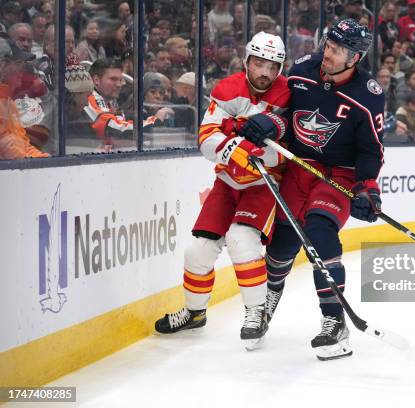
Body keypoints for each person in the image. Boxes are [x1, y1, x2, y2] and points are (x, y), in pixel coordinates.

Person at [239, 18, 384, 361]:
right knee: (281, 245)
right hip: (300, 168)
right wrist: (270, 124)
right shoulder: (303, 70)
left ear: (354, 58)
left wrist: (368, 189)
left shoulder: (368, 94)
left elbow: (370, 150)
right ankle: (266, 304)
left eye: (336, 50)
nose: (327, 54)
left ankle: (334, 320)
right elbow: (288, 116)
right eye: (327, 46)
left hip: (339, 175)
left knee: (319, 230)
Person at [154, 32, 290, 350]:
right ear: (246, 61)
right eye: (259, 63)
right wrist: (235, 148)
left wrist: (265, 154)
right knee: (197, 251)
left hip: (264, 184)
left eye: (273, 66)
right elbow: (206, 138)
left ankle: (257, 313)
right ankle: (194, 313)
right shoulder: (227, 89)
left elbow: (286, 150)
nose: (265, 72)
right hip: (227, 182)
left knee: (242, 241)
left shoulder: (288, 95)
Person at [84, 58, 171, 150]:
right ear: (96, 80)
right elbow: (117, 130)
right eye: (113, 79)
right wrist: (155, 120)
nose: (119, 84)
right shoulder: (90, 98)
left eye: (120, 80)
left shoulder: (109, 102)